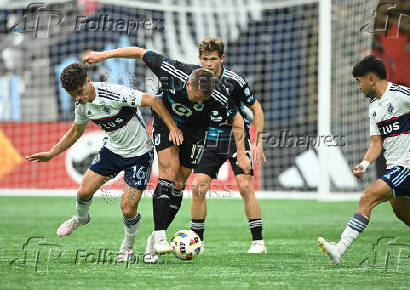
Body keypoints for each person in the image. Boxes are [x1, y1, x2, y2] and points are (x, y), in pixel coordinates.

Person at [84, 48, 251, 263]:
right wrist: (101, 56)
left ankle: (153, 241)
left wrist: (242, 154)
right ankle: (161, 235)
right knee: (168, 173)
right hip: (165, 121)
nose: (199, 103)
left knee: (179, 182)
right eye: (196, 98)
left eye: (203, 100)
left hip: (196, 131)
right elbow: (139, 52)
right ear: (189, 84)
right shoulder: (171, 70)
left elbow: (237, 120)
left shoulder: (218, 94)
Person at [26, 63, 183, 261]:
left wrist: (173, 128)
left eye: (79, 91)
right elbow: (76, 131)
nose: (77, 98)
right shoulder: (82, 105)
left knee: (127, 208)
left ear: (88, 81)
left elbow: (152, 100)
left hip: (139, 154)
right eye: (72, 94)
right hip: (112, 151)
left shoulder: (114, 93)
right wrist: (51, 153)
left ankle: (127, 246)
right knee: (83, 191)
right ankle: (81, 219)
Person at [318, 55, 410, 265]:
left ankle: (340, 249)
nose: (358, 86)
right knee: (406, 215)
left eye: (359, 81)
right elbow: (376, 142)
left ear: (371, 79)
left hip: (408, 166)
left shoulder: (402, 94)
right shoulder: (374, 106)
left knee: (367, 197)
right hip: (394, 168)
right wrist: (364, 164)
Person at [190, 38, 267, 253]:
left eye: (213, 59)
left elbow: (257, 109)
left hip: (237, 138)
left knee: (244, 185)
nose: (208, 63)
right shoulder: (195, 79)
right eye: (204, 59)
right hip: (209, 139)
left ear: (222, 58)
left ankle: (258, 242)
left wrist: (258, 142)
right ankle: (197, 241)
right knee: (198, 187)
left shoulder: (235, 81)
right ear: (199, 59)